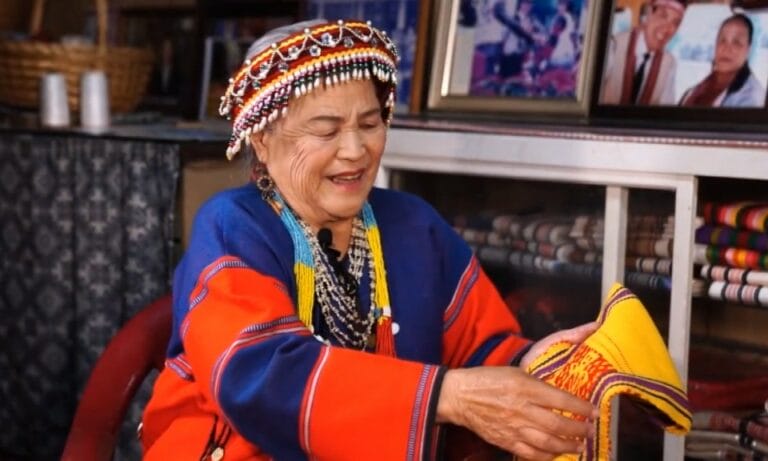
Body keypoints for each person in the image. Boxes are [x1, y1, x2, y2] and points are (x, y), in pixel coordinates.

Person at [140, 19, 598, 460]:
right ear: (262, 139)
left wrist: (530, 361)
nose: (356, 151)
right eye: (326, 129)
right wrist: (446, 396)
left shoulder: (412, 225)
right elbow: (260, 375)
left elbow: (481, 349)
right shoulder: (234, 226)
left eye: (370, 123)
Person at [599, 0, 687, 105]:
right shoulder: (614, 46)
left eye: (675, 23)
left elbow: (665, 107)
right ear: (648, 14)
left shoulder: (669, 64)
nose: (667, 28)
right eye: (663, 16)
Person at [679, 13, 766, 108]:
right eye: (722, 40)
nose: (726, 49)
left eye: (736, 42)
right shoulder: (695, 90)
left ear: (748, 50)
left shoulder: (752, 97)